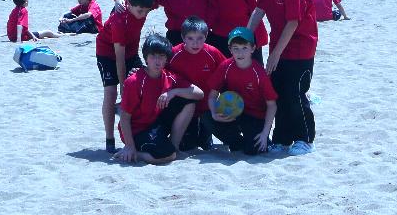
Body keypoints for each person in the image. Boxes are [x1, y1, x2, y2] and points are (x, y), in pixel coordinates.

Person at [247, 0, 318, 156]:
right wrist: (245, 36)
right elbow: (259, 10)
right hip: (279, 46)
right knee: (278, 93)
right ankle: (282, 139)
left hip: (300, 50)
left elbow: (293, 23)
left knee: (295, 94)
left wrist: (275, 54)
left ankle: (305, 139)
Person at [114, 34, 203, 164]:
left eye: (161, 56)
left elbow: (199, 93)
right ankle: (134, 153)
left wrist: (173, 92)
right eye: (153, 56)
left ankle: (174, 146)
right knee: (167, 155)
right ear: (146, 58)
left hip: (154, 123)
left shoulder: (168, 76)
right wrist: (129, 146)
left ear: (166, 58)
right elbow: (124, 117)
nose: (157, 61)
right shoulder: (134, 81)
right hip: (136, 131)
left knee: (189, 101)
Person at [95, 0, 156, 153]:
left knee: (145, 82)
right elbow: (119, 58)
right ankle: (110, 139)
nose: (143, 15)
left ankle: (138, 126)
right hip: (108, 53)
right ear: (129, 5)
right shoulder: (119, 20)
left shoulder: (142, 2)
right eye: (140, 11)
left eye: (146, 11)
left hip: (130, 50)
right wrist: (123, 86)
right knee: (111, 92)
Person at [202, 27, 277, 155]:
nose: (240, 53)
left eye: (244, 48)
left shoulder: (259, 73)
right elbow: (212, 95)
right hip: (232, 110)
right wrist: (214, 113)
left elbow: (272, 105)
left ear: (253, 48)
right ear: (230, 49)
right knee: (207, 118)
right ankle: (236, 142)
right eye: (236, 48)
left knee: (253, 151)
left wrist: (265, 133)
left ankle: (256, 141)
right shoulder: (225, 66)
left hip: (254, 114)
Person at [167, 16, 226, 150]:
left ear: (206, 36)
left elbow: (226, 70)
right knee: (188, 145)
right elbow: (160, 73)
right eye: (190, 38)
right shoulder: (174, 54)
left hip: (208, 107)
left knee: (205, 144)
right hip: (185, 107)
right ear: (183, 37)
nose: (195, 43)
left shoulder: (212, 53)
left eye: (200, 38)